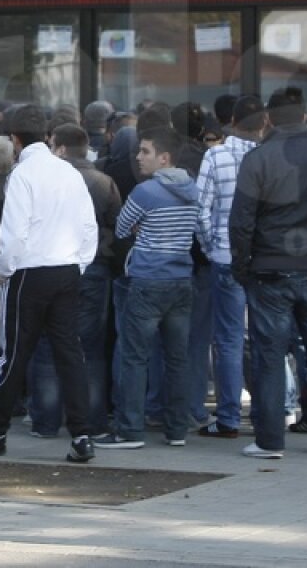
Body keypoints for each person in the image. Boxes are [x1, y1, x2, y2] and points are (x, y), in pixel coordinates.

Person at [0, 104, 98, 464]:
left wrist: (5, 268)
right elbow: (88, 227)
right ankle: (82, 433)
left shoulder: (22, 175)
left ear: (15, 140)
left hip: (28, 271)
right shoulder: (68, 172)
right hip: (67, 268)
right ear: (49, 137)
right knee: (70, 352)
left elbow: (14, 233)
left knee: (13, 353)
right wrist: (79, 264)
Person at [229, 90, 307, 459]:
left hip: (270, 269)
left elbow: (241, 222)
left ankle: (270, 440)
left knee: (269, 356)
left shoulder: (258, 160)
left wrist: (242, 267)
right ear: (304, 117)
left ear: (268, 119)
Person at [97, 127, 198, 449]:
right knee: (177, 359)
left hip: (147, 279)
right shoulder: (193, 190)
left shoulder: (146, 192)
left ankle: (130, 430)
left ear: (164, 158)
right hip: (181, 278)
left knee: (135, 357)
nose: (139, 158)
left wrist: (147, 226)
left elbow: (123, 226)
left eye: (145, 152)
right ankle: (177, 430)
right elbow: (201, 230)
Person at [27, 123, 120, 440]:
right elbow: (114, 227)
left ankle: (46, 419)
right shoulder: (104, 182)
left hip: (52, 265)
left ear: (61, 149)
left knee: (47, 344)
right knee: (90, 348)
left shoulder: (47, 181)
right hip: (94, 267)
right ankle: (93, 421)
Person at [195, 95, 266, 439]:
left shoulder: (216, 155)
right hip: (264, 261)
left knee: (228, 340)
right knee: (265, 336)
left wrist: (211, 247)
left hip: (225, 259)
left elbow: (201, 209)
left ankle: (228, 417)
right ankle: (273, 409)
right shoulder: (270, 158)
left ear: (232, 121)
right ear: (264, 124)